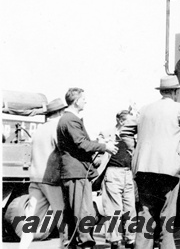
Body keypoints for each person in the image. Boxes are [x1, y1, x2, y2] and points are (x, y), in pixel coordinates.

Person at [121, 75, 180, 249]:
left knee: (146, 215)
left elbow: (125, 131)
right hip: (168, 170)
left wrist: (135, 151)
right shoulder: (179, 108)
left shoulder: (144, 109)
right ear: (174, 92)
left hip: (144, 169)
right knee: (167, 217)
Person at [57, 88, 118, 248]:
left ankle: (72, 243)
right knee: (83, 210)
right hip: (77, 172)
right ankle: (85, 243)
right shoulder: (71, 120)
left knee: (73, 211)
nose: (86, 101)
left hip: (73, 171)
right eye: (84, 99)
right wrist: (105, 147)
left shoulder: (67, 119)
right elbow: (81, 143)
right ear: (77, 101)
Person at [18, 98, 70, 249]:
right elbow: (63, 151)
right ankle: (65, 246)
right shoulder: (57, 128)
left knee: (31, 218)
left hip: (35, 178)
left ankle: (23, 247)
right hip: (51, 179)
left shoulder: (39, 129)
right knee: (62, 216)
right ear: (60, 112)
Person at [100, 110, 136, 249]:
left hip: (128, 174)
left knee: (130, 208)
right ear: (120, 121)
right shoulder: (107, 133)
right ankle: (114, 240)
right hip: (113, 173)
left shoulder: (132, 137)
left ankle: (130, 239)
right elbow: (97, 152)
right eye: (129, 122)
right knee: (114, 209)